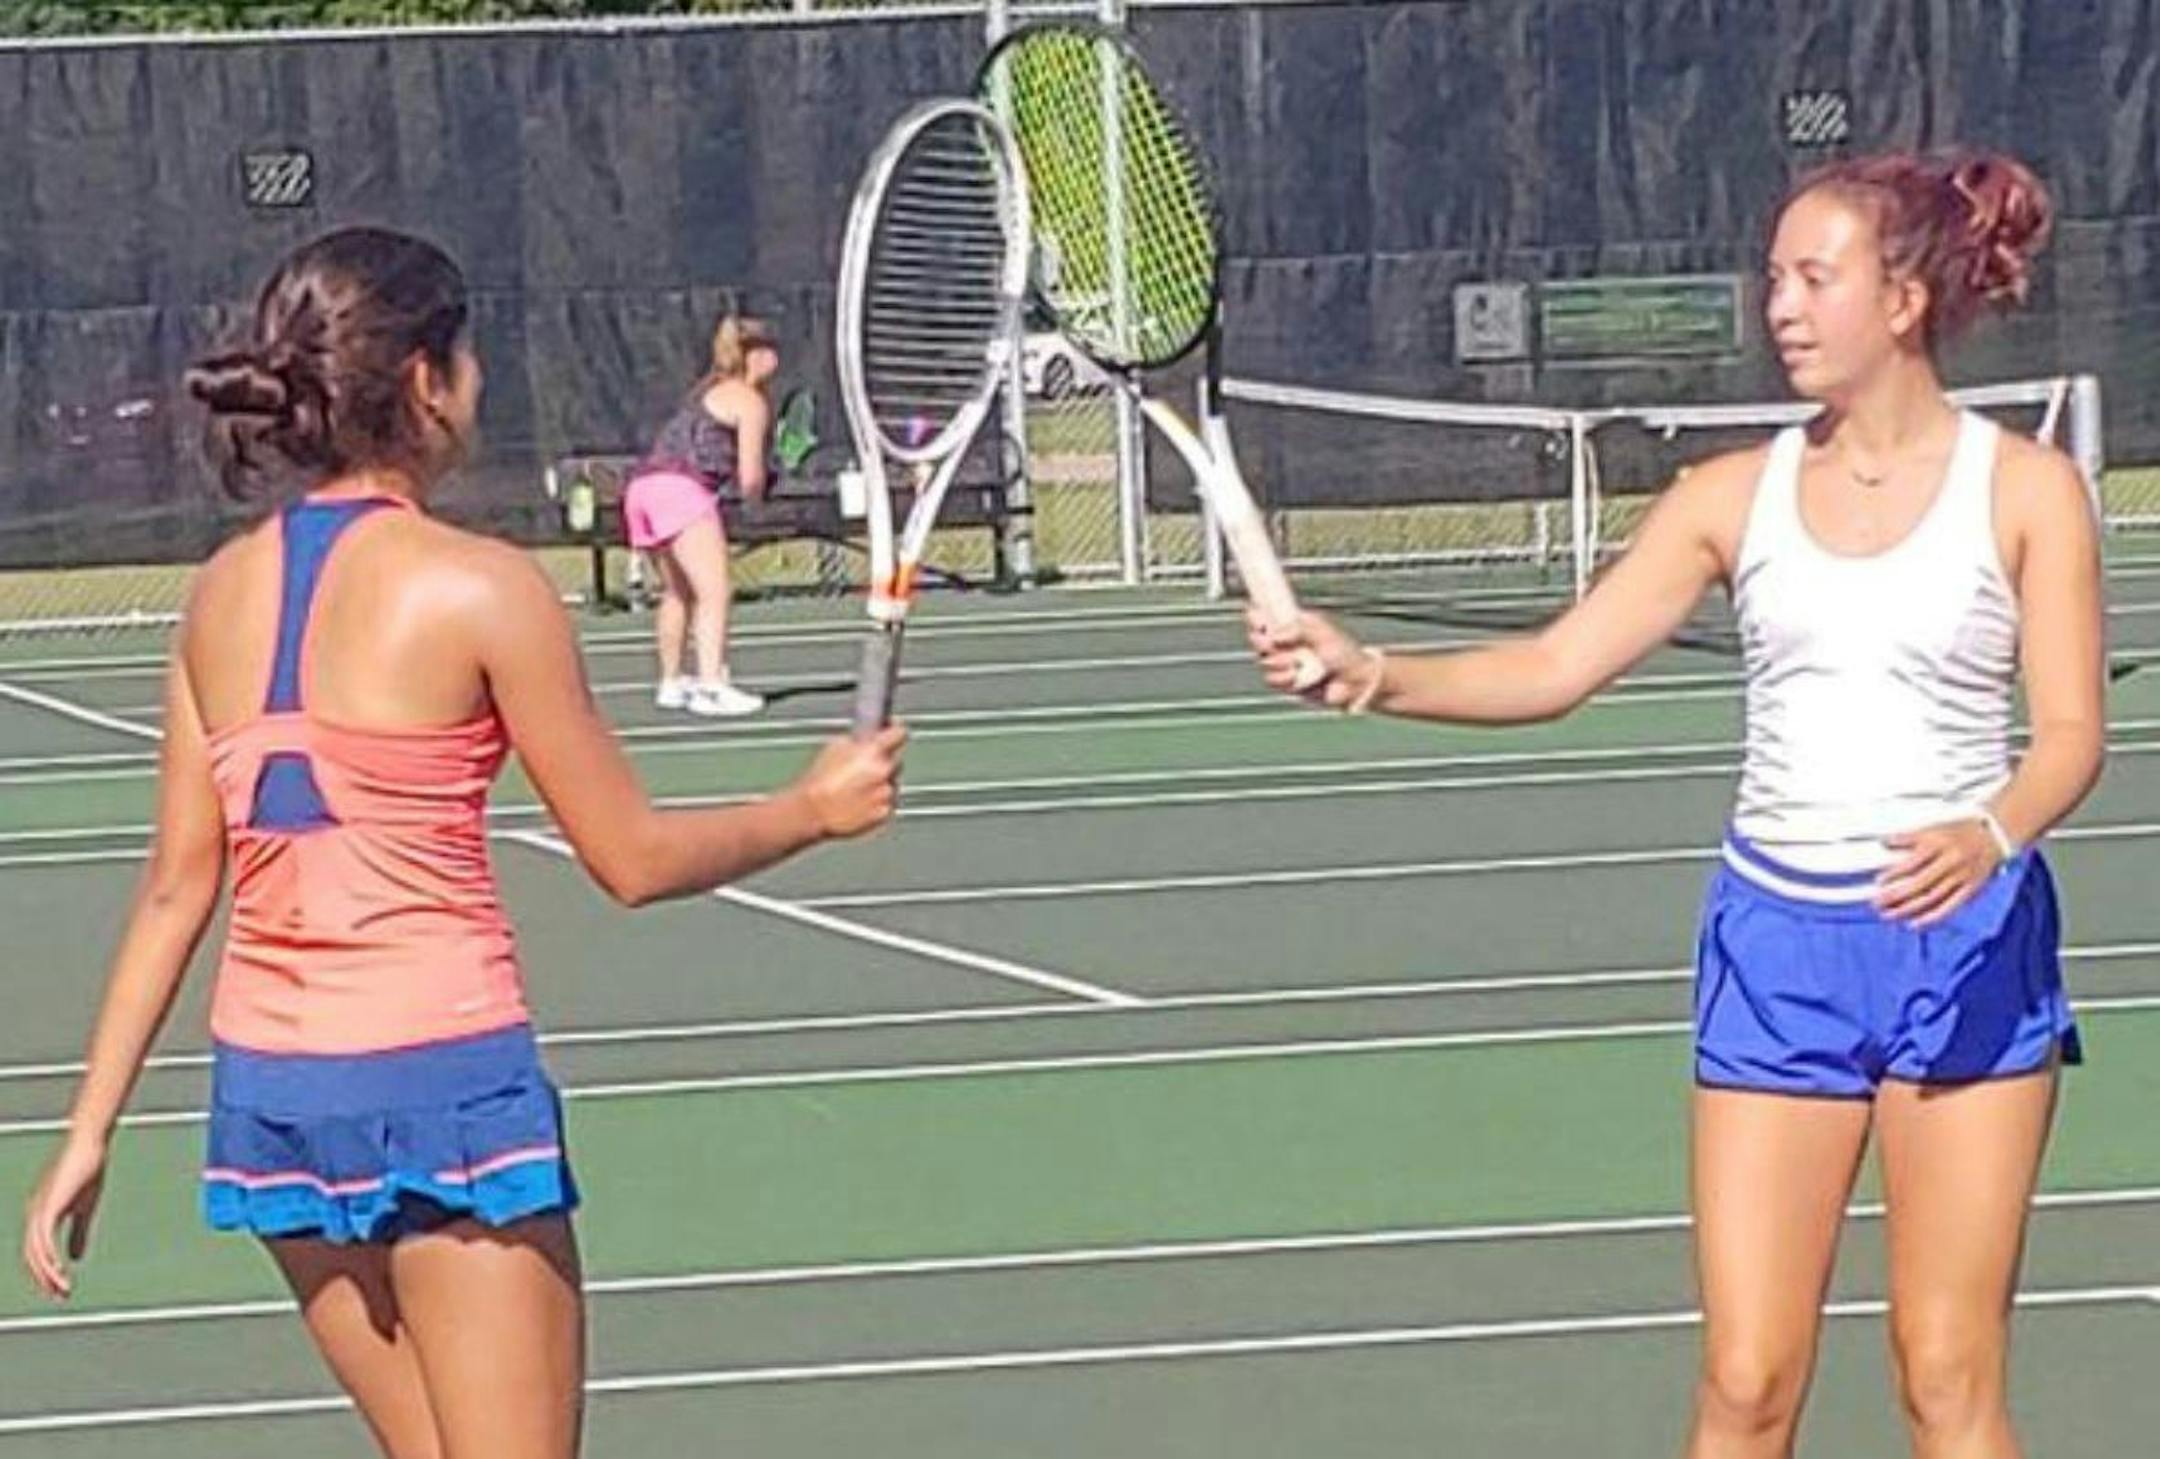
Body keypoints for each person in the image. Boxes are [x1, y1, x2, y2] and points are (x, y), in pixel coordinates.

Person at [1254, 149, 2101, 1458]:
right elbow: (1552, 664)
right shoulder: (1725, 498)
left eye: (1816, 277)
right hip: (1776, 950)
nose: (1783, 307)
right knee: (1749, 1380)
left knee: (1947, 1375)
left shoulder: (2027, 490)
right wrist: (1371, 670)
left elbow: (2070, 738)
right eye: (1773, 278)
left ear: (1905, 297)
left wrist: (1988, 831)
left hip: (1966, 947)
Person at [18, 227, 903, 1459]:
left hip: (269, 1099)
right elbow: (630, 857)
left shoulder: (216, 593)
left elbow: (177, 886)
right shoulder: (483, 587)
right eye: (467, 354)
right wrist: (813, 808)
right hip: (442, 1086)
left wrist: (88, 1132)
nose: (479, 380)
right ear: (426, 381)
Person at [621, 314, 780, 717]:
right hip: (681, 490)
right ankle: (712, 686)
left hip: (642, 489)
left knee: (678, 593)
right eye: (771, 351)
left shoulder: (704, 392)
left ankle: (671, 683)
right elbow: (749, 477)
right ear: (757, 356)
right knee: (715, 591)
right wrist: (761, 490)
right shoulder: (750, 401)